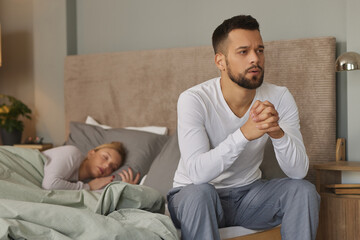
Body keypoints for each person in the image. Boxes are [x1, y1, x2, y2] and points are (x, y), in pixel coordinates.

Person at [167, 15, 320, 240]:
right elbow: (198, 174)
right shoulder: (194, 99)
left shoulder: (280, 96)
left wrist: (278, 134)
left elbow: (297, 172)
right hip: (193, 196)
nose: (254, 59)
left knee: (304, 191)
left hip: (248, 197)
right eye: (243, 51)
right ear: (220, 61)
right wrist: (244, 134)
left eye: (259, 50)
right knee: (201, 193)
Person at [42, 142, 140, 191]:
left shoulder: (84, 183)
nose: (107, 166)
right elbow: (49, 185)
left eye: (113, 168)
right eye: (105, 157)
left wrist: (126, 190)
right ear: (91, 153)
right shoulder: (73, 153)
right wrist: (88, 187)